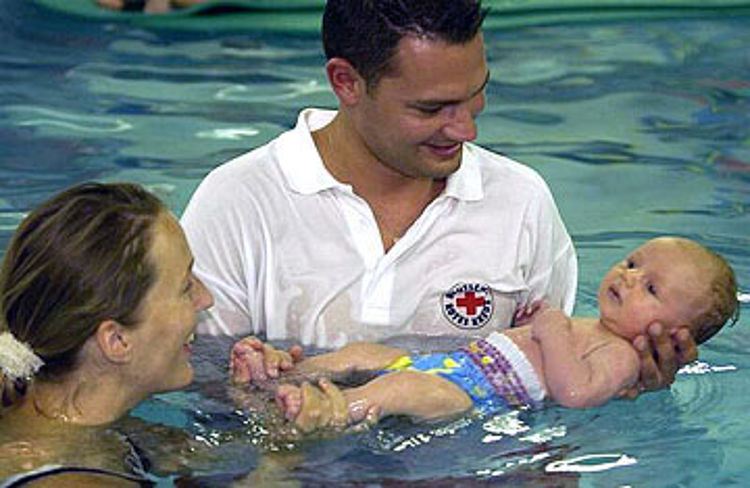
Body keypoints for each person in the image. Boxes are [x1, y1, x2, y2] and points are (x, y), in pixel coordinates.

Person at [183, 0, 695, 396]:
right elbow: (199, 392)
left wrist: (621, 378)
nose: (466, 129)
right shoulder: (240, 202)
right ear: (347, 82)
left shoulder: (520, 202)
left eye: (476, 95)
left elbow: (547, 390)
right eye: (432, 109)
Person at [233, 237, 739, 432]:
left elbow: (575, 393)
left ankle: (331, 412)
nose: (628, 277)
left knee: (400, 388)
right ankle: (289, 372)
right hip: (454, 366)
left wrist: (550, 330)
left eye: (650, 287)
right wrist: (534, 328)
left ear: (674, 334)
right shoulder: (592, 326)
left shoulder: (623, 359)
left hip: (469, 397)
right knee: (368, 353)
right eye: (631, 263)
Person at [0, 182, 214, 485]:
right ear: (117, 340)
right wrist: (277, 462)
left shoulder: (84, 428)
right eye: (186, 287)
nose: (206, 298)